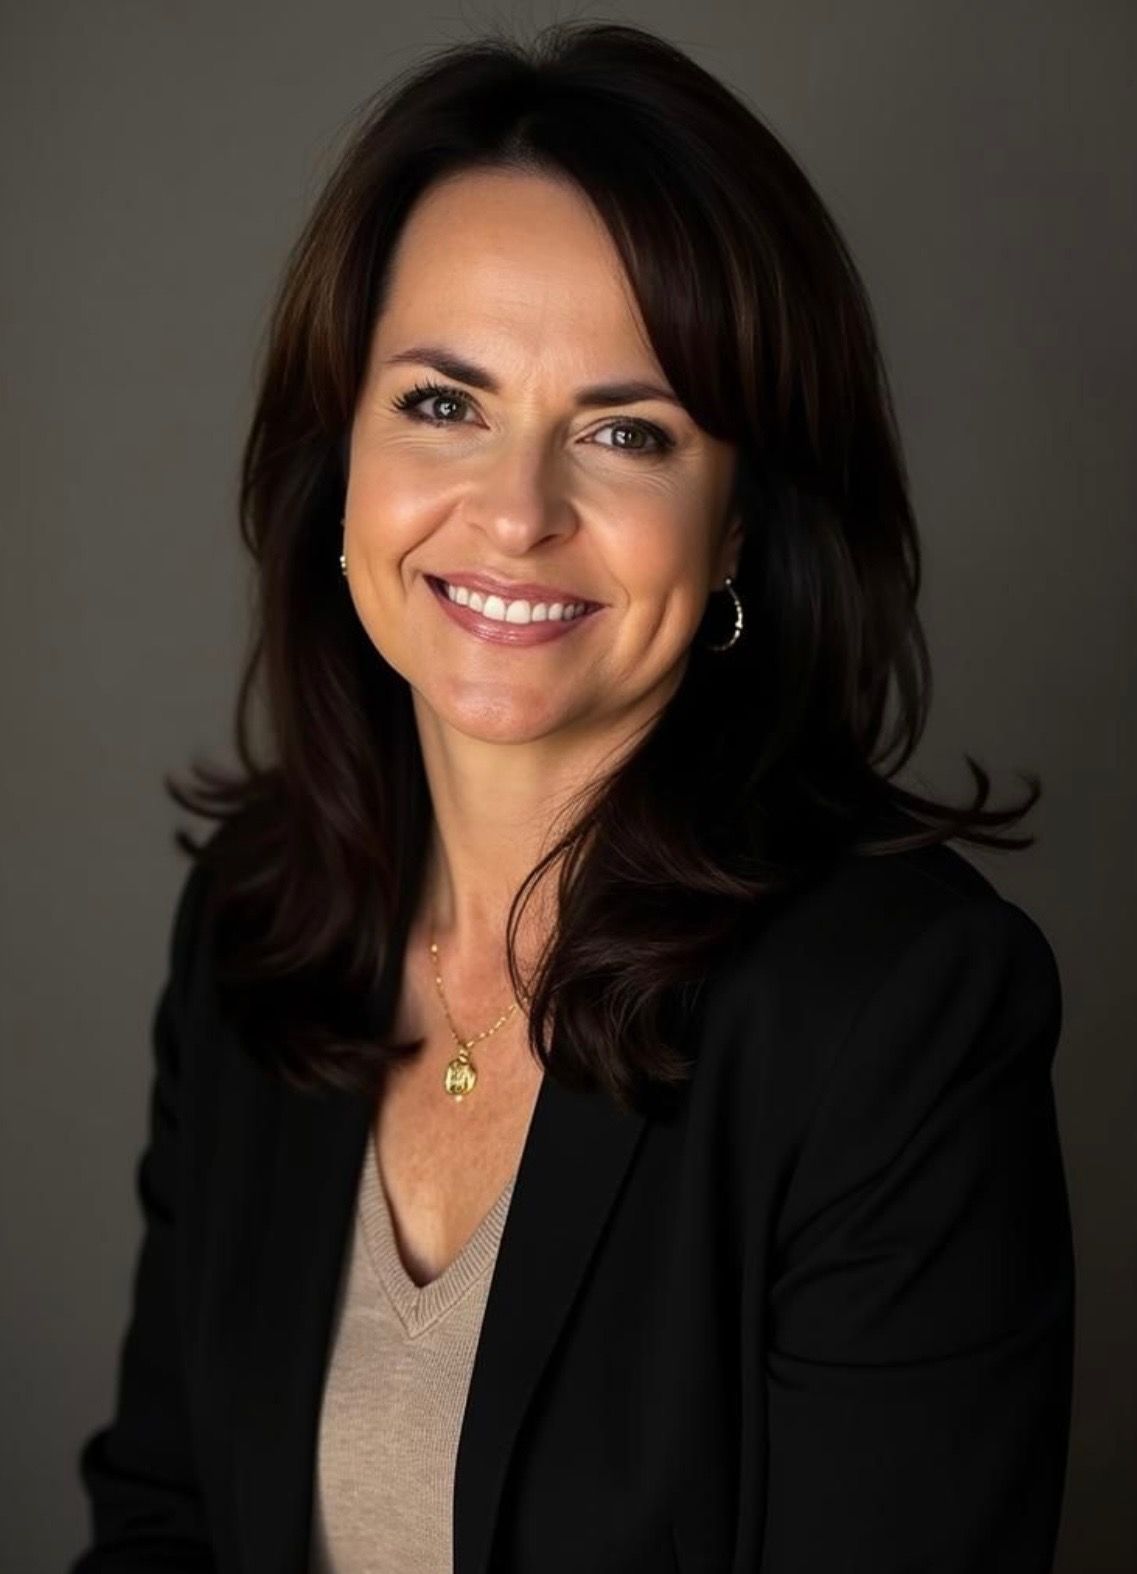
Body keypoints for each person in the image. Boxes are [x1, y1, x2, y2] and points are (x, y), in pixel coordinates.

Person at [70, 20, 1074, 1574]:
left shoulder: (899, 1016)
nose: (517, 511)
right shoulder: (257, 919)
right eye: (442, 403)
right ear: (342, 449)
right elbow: (164, 1515)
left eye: (624, 431)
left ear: (734, 524)